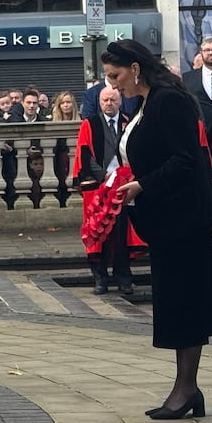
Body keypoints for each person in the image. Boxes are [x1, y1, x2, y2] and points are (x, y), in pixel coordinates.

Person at [104, 39, 212, 419]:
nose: (112, 85)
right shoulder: (146, 104)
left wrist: (144, 184)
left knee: (185, 304)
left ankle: (186, 389)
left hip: (182, 222)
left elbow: (186, 160)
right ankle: (184, 388)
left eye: (115, 75)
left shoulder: (167, 101)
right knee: (175, 305)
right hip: (166, 222)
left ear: (135, 68)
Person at [72, 86, 145, 294]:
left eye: (113, 100)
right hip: (98, 187)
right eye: (105, 100)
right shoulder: (90, 124)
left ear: (120, 101)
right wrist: (104, 176)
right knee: (98, 233)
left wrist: (124, 176)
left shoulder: (130, 122)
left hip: (123, 186)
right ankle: (100, 279)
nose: (109, 104)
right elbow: (84, 154)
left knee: (121, 234)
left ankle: (123, 278)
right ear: (99, 102)